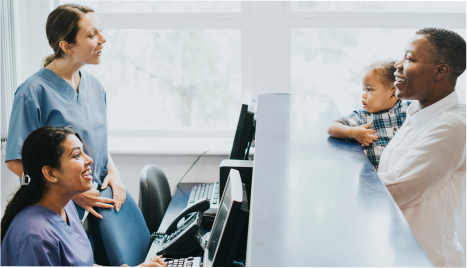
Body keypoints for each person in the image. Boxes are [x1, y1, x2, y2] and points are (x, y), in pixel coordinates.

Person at [4, 3, 125, 247]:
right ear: (66, 46)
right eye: (92, 35)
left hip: (98, 203)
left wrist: (114, 172)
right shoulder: (32, 93)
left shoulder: (95, 87)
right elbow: (17, 161)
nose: (103, 39)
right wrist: (74, 193)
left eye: (100, 30)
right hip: (59, 209)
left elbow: (94, 141)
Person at [0, 126, 166, 267]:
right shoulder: (35, 238)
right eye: (77, 155)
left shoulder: (66, 206)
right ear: (50, 173)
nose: (89, 160)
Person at [378, 28, 467, 268]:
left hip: (428, 260)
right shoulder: (418, 112)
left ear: (440, 71)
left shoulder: (452, 124)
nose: (397, 65)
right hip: (400, 255)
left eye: (409, 58)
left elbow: (398, 189)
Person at [327, 60, 411, 171]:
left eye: (369, 89)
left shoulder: (408, 109)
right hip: (376, 180)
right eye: (363, 89)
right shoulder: (363, 115)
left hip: (403, 176)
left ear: (392, 93)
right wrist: (353, 132)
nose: (363, 95)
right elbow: (332, 127)